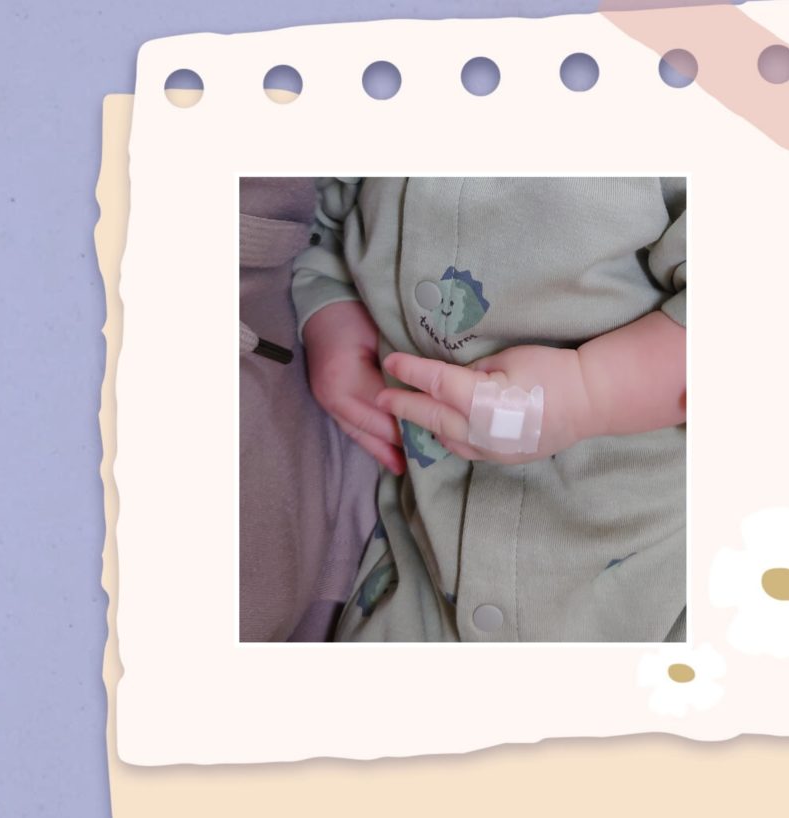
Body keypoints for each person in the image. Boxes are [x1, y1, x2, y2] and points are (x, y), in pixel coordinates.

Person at [292, 177, 686, 642]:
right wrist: (331, 310)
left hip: (649, 549)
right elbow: (325, 213)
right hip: (424, 556)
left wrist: (589, 393)